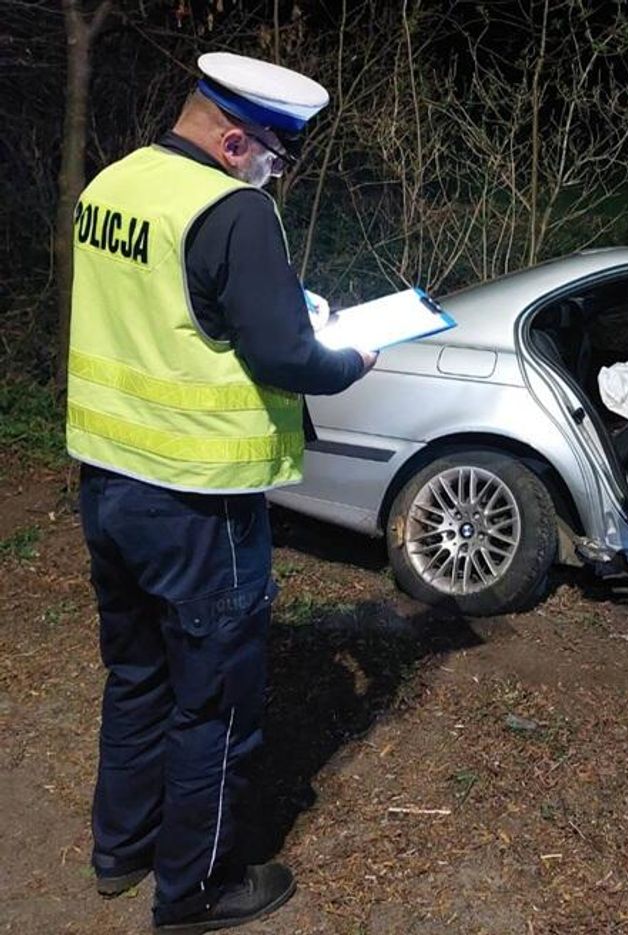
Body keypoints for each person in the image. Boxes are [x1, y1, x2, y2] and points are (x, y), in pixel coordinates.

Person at [66, 51, 377, 932]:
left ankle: (121, 850)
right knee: (215, 703)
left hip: (110, 482)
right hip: (199, 501)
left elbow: (172, 310)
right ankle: (196, 890)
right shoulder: (233, 209)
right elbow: (285, 356)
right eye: (273, 159)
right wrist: (349, 359)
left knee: (137, 675)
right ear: (235, 142)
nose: (273, 177)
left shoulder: (116, 183)